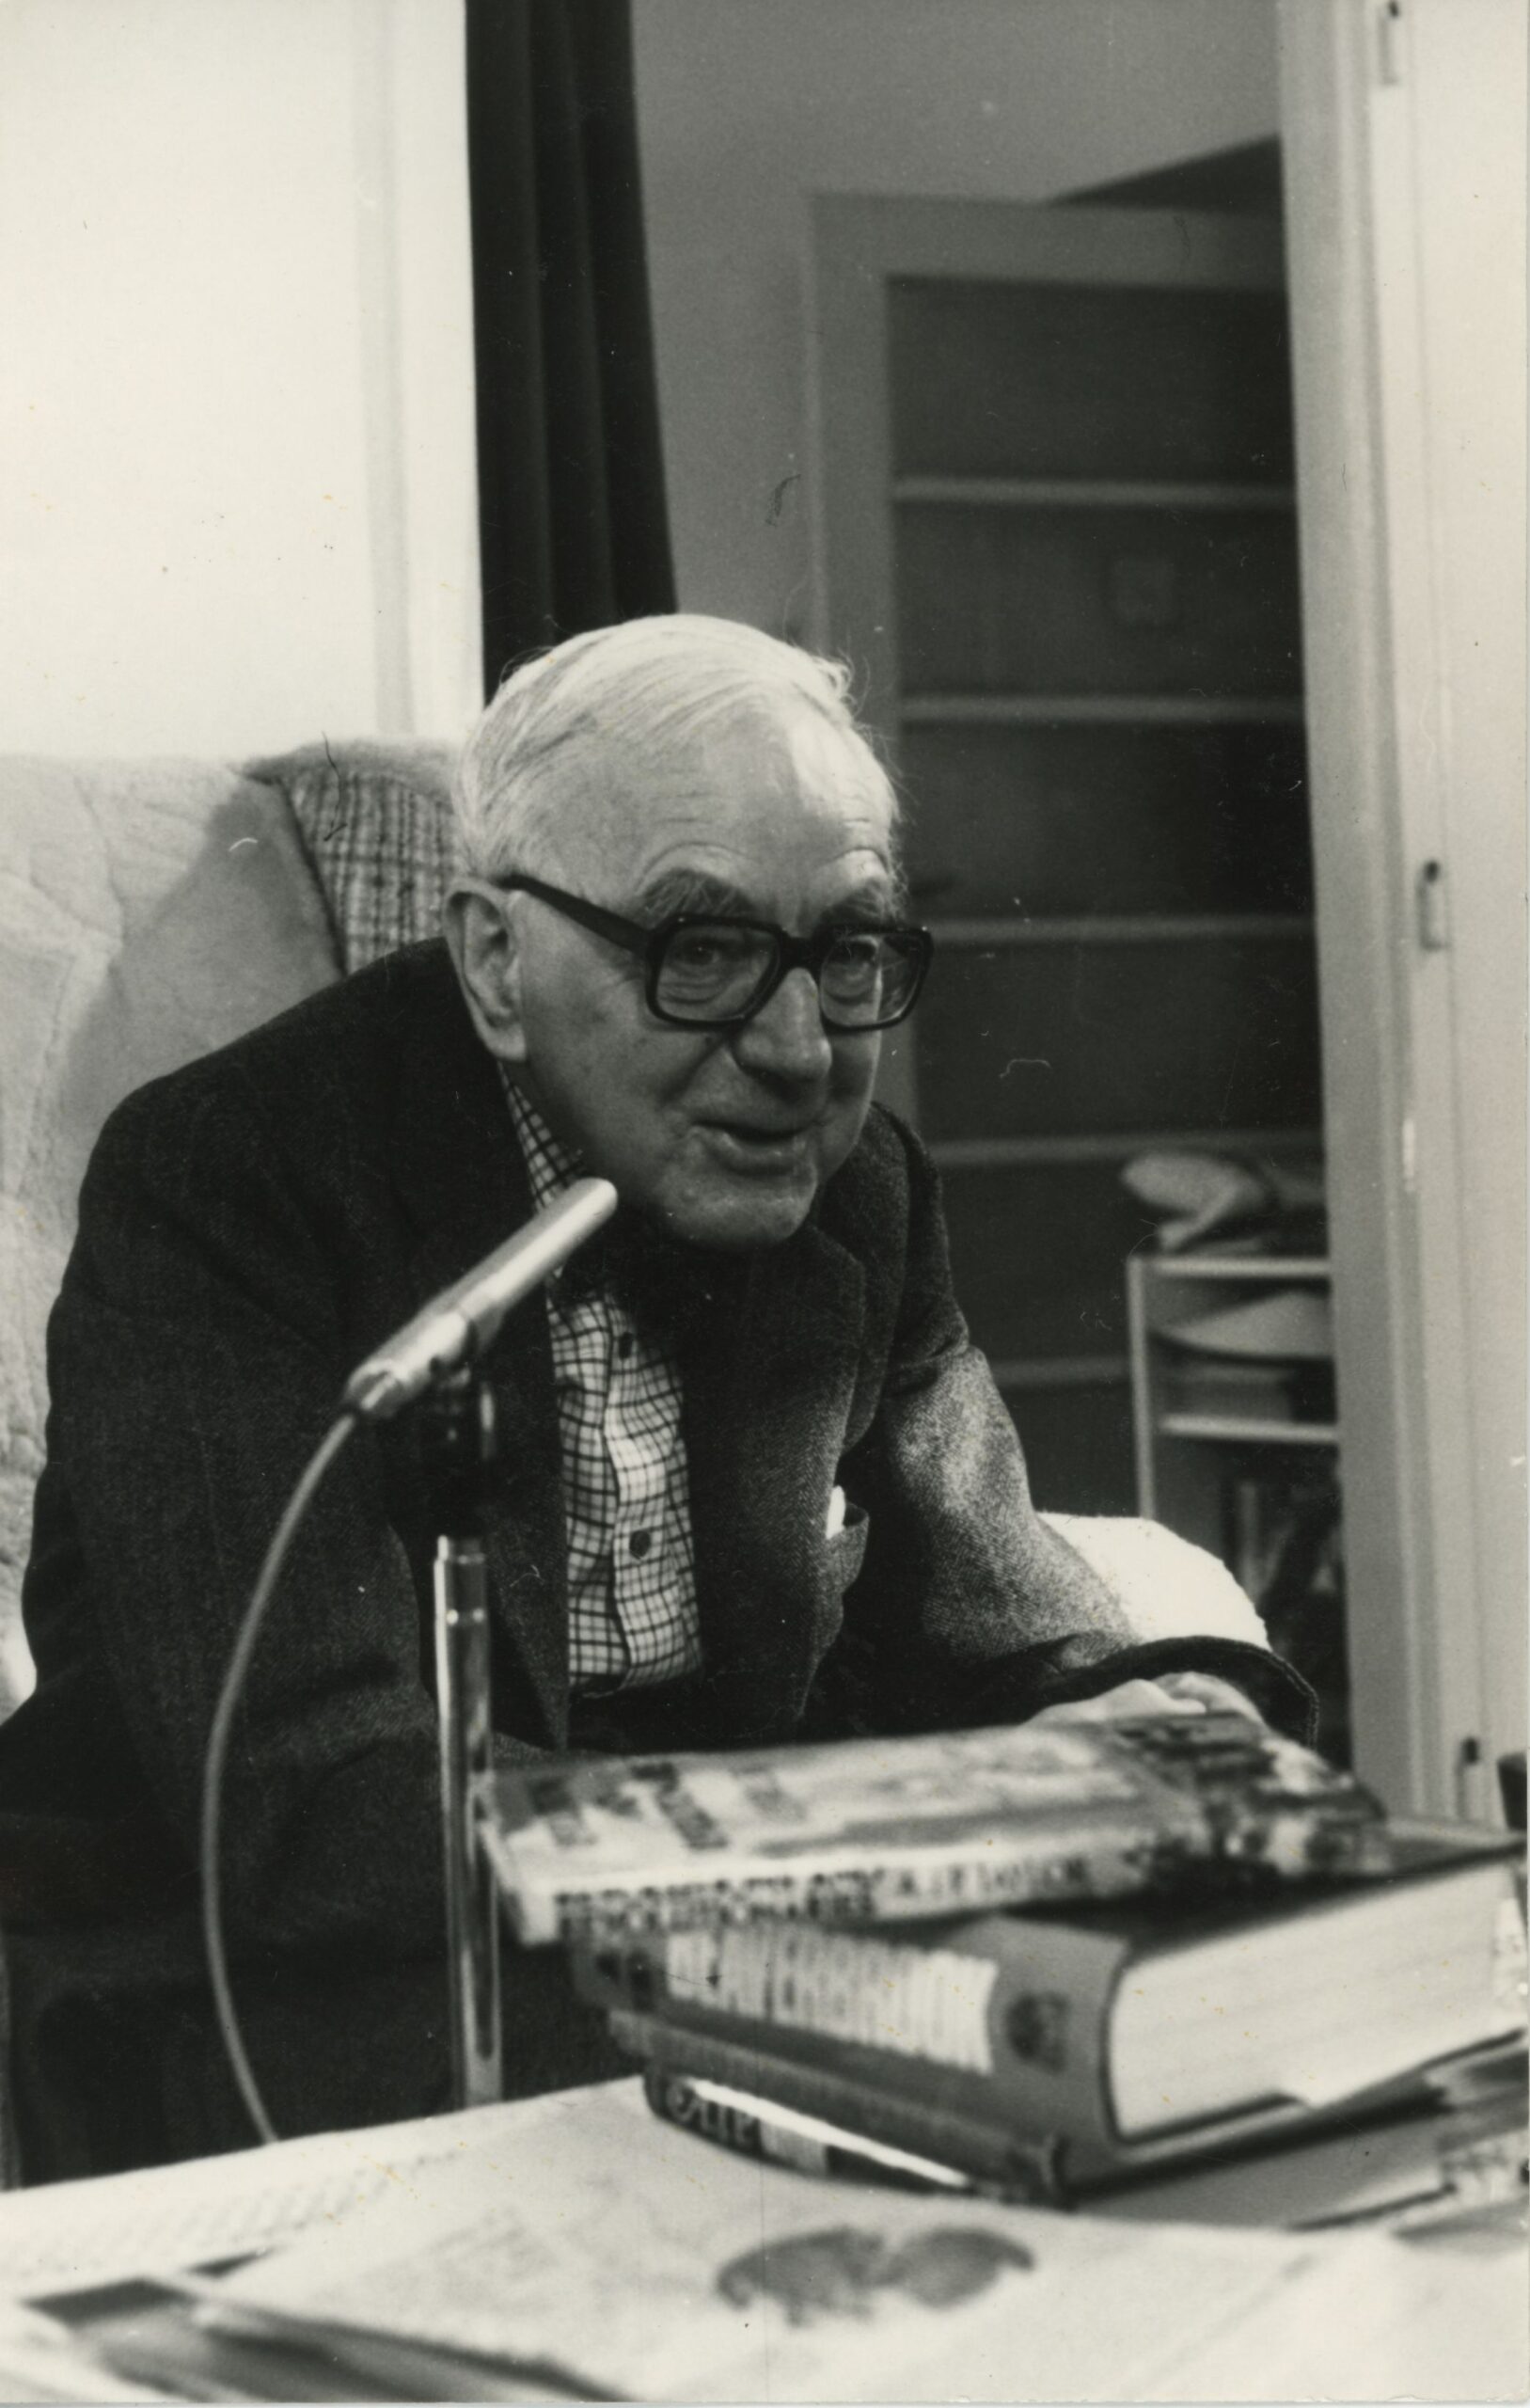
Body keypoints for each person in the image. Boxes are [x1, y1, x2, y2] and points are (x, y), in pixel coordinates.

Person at [0, 616, 1309, 2180]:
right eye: (701, 952)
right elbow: (313, 1822)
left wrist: (1166, 1712)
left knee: (1214, 2015)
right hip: (279, 1994)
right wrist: (856, 1856)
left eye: (849, 951)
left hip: (733, 1946)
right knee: (930, 2086)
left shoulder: (857, 1191)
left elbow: (994, 1619)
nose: (798, 1047)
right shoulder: (232, 1178)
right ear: (496, 959)